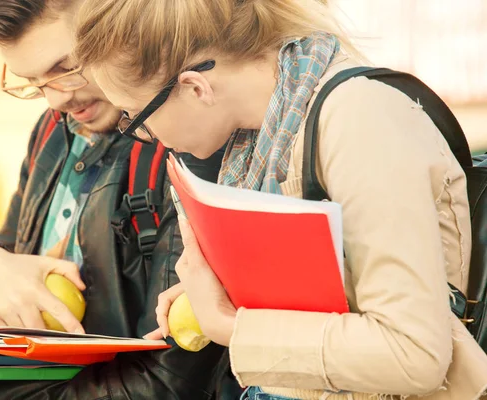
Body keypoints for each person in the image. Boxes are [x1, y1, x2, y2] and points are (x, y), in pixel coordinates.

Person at [71, 0, 487, 399]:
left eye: (136, 117)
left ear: (195, 87)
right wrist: (220, 291)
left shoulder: (359, 118)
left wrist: (231, 326)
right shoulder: (259, 140)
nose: (143, 135)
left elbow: (414, 354)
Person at [0, 0, 234, 399]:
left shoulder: (191, 143)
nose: (55, 100)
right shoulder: (54, 129)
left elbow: (170, 385)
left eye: (65, 69)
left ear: (114, 22)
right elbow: (5, 301)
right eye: (31, 81)